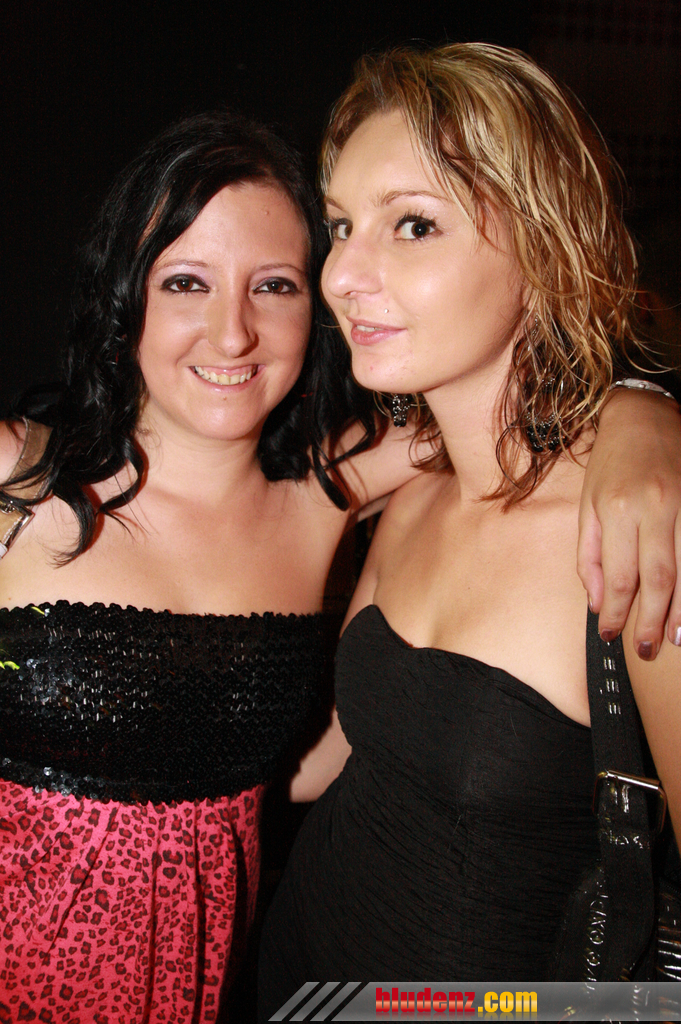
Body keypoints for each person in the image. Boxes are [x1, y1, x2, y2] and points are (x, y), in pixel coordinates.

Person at [0, 109, 677, 1024]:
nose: (231, 334)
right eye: (186, 281)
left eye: (274, 285)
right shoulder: (17, 482)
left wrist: (644, 409)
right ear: (125, 299)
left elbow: (504, 401)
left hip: (225, 993)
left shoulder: (331, 495)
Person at [257, 44, 681, 1010]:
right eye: (341, 225)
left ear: (545, 248)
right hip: (291, 978)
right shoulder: (415, 494)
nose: (341, 274)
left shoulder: (638, 528)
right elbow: (333, 755)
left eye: (412, 224)